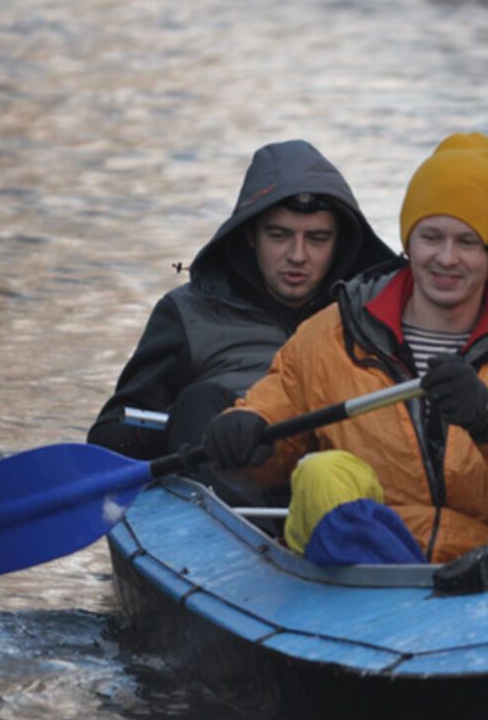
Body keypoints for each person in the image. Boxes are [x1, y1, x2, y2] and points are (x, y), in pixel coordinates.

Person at [200, 132, 488, 563]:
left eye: (467, 242)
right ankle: (380, 570)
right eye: (431, 237)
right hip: (360, 556)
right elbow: (273, 418)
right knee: (322, 471)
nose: (446, 258)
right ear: (408, 242)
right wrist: (246, 432)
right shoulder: (328, 335)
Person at [87, 139, 395, 497]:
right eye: (279, 236)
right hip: (230, 500)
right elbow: (110, 436)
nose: (297, 255)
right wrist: (194, 426)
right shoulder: (186, 314)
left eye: (317, 239)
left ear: (340, 243)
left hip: (341, 492)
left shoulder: (372, 318)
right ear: (250, 234)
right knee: (200, 401)